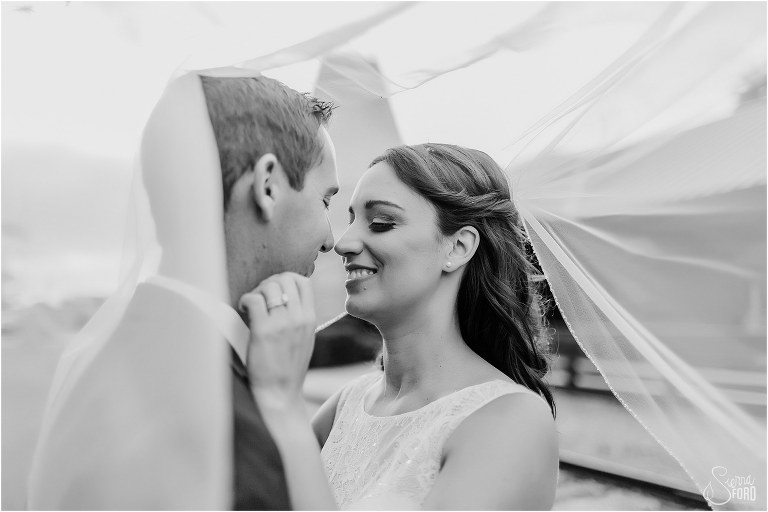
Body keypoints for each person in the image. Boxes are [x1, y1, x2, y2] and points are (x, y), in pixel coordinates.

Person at [27, 72, 339, 510]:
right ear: (267, 185)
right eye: (325, 201)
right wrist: (284, 410)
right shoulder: (217, 409)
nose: (331, 238)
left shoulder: (100, 351)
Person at [246, 143, 559, 510]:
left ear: (458, 247)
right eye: (350, 220)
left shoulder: (510, 420)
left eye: (381, 223)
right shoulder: (345, 406)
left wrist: (282, 404)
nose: (344, 243)